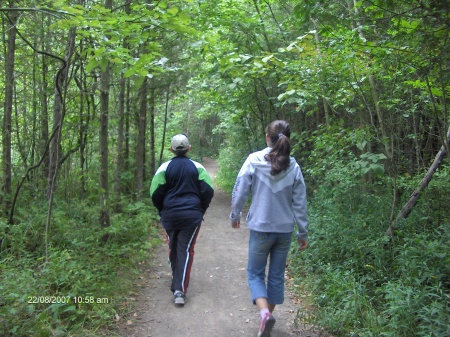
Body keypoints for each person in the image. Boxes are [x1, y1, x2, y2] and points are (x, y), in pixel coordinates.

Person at [229, 120, 308, 337]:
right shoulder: (294, 166)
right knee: (276, 276)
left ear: (267, 137)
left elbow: (240, 189)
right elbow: (300, 203)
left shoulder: (254, 160)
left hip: (261, 228)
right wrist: (303, 232)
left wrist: (235, 215)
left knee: (255, 273)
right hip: (284, 230)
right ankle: (266, 319)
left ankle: (264, 315)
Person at [150, 134, 214, 306]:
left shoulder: (164, 168)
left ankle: (177, 277)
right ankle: (179, 289)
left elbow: (155, 193)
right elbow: (208, 190)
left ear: (171, 149)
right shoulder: (197, 167)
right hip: (192, 216)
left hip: (169, 216)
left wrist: (162, 210)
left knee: (173, 246)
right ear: (189, 148)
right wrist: (201, 209)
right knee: (185, 249)